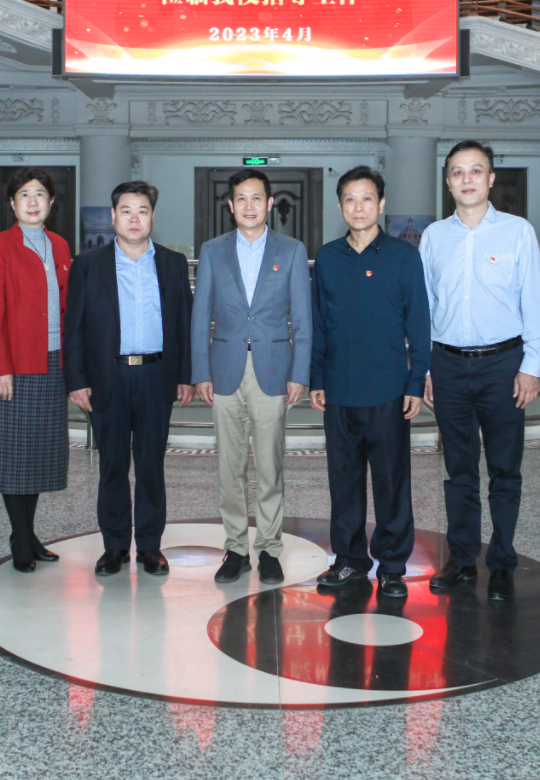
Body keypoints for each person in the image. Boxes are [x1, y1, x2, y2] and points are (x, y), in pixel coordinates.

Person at [420, 140, 540, 602]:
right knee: (458, 470)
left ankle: (501, 563)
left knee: (504, 470)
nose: (467, 179)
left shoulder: (518, 232)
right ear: (448, 181)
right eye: (458, 172)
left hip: (503, 365)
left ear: (491, 179)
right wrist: (425, 369)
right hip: (448, 365)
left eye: (476, 170)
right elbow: (425, 308)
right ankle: (461, 559)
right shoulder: (434, 237)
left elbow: (535, 303)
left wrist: (531, 366)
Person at [308, 166, 430, 601]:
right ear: (340, 206)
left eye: (366, 198)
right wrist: (317, 376)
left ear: (381, 204)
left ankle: (393, 567)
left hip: (388, 390)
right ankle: (349, 560)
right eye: (349, 199)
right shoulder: (328, 258)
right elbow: (319, 323)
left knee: (392, 482)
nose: (358, 207)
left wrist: (416, 382)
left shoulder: (403, 257)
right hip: (339, 390)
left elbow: (419, 322)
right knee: (343, 482)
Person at [63, 180, 194, 577]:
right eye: (126, 210)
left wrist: (185, 375)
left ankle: (150, 546)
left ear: (152, 216)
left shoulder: (172, 263)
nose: (134, 218)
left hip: (156, 375)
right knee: (113, 465)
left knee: (151, 464)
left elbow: (184, 323)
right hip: (109, 377)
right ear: (113, 216)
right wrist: (76, 380)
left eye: (142, 210)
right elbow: (74, 327)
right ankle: (115, 545)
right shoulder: (89, 264)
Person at [191, 168, 312, 585]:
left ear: (270, 204)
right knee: (229, 467)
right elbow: (199, 316)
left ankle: (270, 548)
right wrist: (200, 371)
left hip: (274, 370)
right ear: (230, 205)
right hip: (223, 369)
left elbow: (303, 319)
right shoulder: (212, 251)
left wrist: (299, 373)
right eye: (241, 198)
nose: (249, 205)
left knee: (269, 467)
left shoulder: (291, 250)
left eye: (256, 198)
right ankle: (236, 549)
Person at [0, 168, 72, 572]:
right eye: (24, 195)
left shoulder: (60, 245)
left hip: (53, 361)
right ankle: (19, 536)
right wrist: (0, 367)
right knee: (13, 453)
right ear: (12, 203)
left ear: (51, 202)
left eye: (40, 194)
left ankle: (29, 533)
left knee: (37, 453)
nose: (33, 202)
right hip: (15, 363)